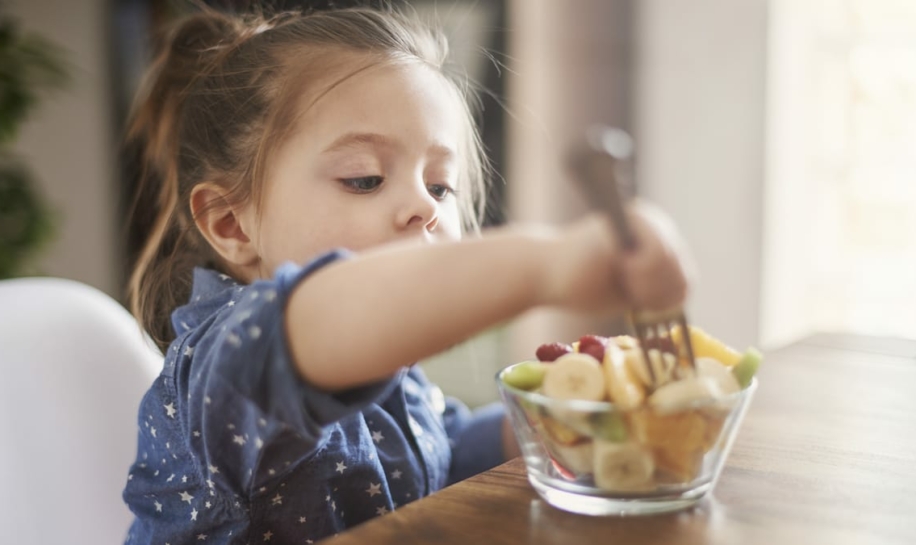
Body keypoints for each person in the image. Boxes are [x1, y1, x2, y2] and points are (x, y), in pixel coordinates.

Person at [121, 5, 692, 544]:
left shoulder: (393, 374)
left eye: (441, 185)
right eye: (365, 179)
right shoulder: (225, 366)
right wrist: (549, 262)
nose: (426, 207)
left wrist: (553, 414)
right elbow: (332, 313)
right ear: (231, 225)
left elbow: (444, 452)